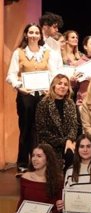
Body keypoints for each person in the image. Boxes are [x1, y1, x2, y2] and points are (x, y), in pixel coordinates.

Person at [6, 23, 62, 173]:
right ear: (26, 34)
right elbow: (11, 75)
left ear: (40, 35)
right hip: (26, 95)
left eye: (36, 32)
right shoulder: (19, 52)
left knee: (42, 129)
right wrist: (19, 86)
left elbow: (54, 73)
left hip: (43, 95)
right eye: (31, 32)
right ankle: (23, 163)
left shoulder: (46, 52)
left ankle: (42, 162)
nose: (33, 35)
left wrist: (49, 86)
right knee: (25, 129)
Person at [35, 74, 79, 168]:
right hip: (50, 143)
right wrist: (64, 142)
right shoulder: (43, 104)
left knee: (73, 153)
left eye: (66, 84)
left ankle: (70, 180)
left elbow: (74, 125)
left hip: (69, 142)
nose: (63, 86)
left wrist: (69, 140)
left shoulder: (70, 103)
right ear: (53, 86)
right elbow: (42, 131)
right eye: (59, 83)